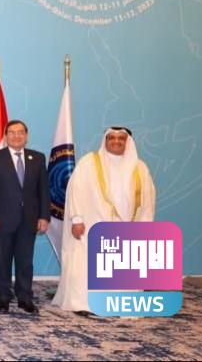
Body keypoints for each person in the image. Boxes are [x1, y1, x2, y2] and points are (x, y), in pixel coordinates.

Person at [53, 127, 156, 314]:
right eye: (112, 138)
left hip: (127, 228)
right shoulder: (89, 163)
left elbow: (148, 199)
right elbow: (76, 191)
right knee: (88, 265)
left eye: (121, 138)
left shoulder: (140, 168)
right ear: (105, 141)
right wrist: (77, 219)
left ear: (127, 142)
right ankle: (84, 304)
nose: (116, 141)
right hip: (92, 226)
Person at [0, 119, 50, 314]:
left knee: (25, 262)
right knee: (2, 260)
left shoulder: (38, 158)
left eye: (20, 132)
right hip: (2, 219)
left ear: (26, 136)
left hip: (29, 220)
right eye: (12, 132)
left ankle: (25, 297)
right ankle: (3, 297)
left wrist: (44, 216)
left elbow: (44, 190)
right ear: (6, 136)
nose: (16, 136)